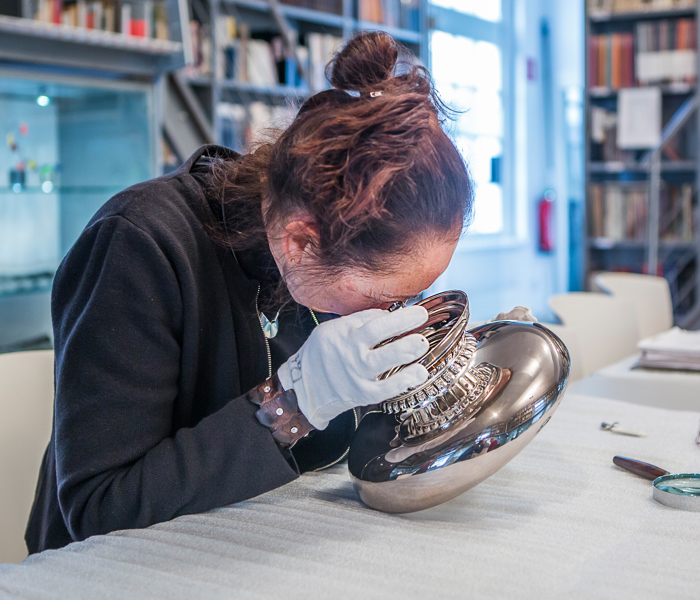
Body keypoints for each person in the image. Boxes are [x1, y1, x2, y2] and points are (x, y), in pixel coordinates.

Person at [26, 31, 498, 553]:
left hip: (245, 544)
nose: (397, 312)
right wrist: (292, 402)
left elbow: (328, 457)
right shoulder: (138, 245)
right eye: (381, 297)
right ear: (301, 242)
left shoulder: (305, 258)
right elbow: (99, 508)